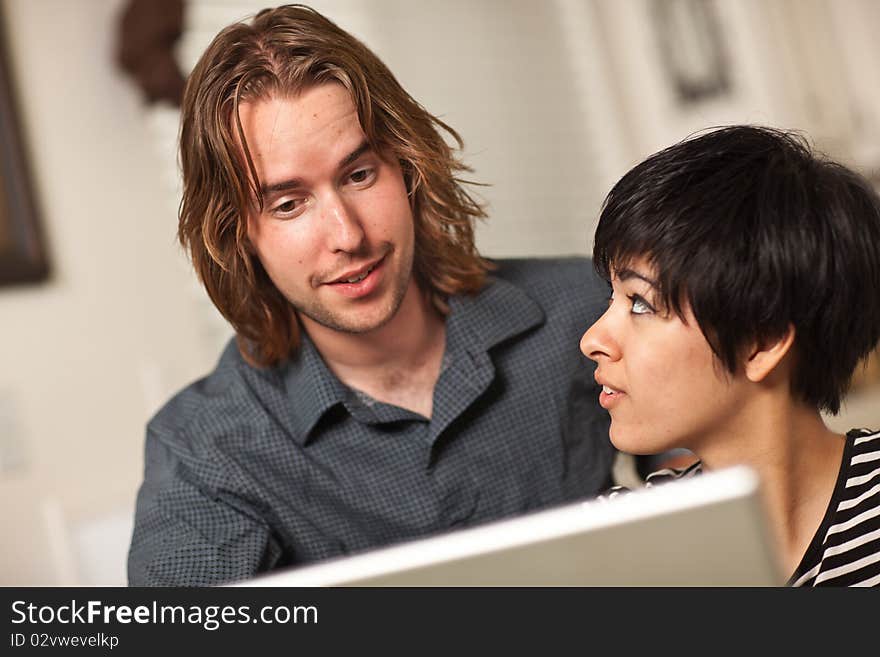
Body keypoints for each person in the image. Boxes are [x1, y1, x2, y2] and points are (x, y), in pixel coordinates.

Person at [127, 4, 623, 586]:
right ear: (237, 234)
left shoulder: (587, 311)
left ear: (408, 167)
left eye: (359, 175)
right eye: (288, 204)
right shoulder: (207, 447)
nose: (348, 236)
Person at [580, 125, 880, 586]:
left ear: (761, 342)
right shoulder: (614, 547)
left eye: (640, 302)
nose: (593, 340)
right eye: (611, 298)